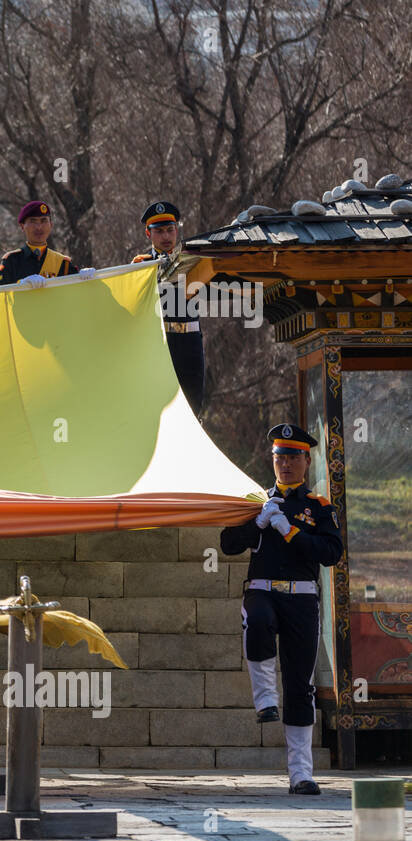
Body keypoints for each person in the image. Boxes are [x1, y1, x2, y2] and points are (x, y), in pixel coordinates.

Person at [219, 424, 343, 795]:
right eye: (279, 458)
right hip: (262, 590)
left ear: (306, 460)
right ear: (271, 461)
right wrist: (257, 522)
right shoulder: (256, 500)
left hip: (302, 598)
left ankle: (300, 774)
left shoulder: (319, 507)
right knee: (256, 620)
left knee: (300, 687)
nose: (285, 464)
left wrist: (290, 531)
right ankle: (265, 702)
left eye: (292, 457)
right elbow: (227, 544)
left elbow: (330, 553)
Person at [132, 201, 205, 415]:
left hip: (190, 341)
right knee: (160, 409)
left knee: (193, 407)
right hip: (160, 342)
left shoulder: (192, 258)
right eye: (160, 231)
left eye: (170, 230)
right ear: (148, 234)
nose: (166, 237)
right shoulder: (141, 264)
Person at [0, 200, 93, 287]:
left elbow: (76, 291)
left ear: (51, 225)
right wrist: (20, 284)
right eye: (33, 221)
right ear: (22, 226)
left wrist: (86, 277)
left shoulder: (62, 263)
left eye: (43, 221)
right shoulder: (12, 260)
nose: (39, 227)